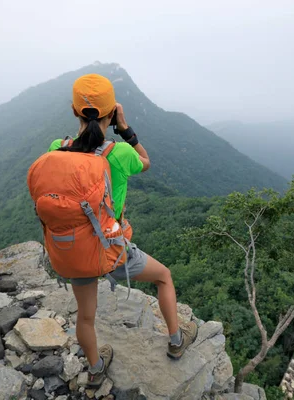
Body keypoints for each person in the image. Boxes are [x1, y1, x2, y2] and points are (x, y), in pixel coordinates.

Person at [48, 74, 198, 388]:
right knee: (164, 276)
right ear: (111, 112)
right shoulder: (119, 154)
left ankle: (96, 367)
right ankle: (175, 340)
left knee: (85, 317)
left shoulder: (56, 149)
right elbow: (146, 160)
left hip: (73, 250)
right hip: (111, 251)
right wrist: (126, 129)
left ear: (75, 111)